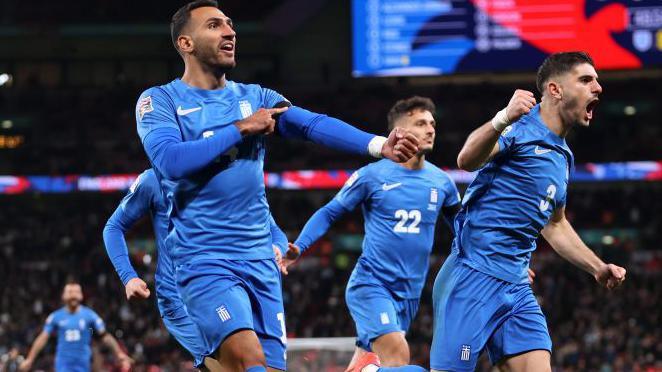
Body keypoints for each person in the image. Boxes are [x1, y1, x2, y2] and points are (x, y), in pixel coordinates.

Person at [135, 1, 419, 371]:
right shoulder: (160, 100)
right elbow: (171, 162)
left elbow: (311, 124)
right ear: (185, 43)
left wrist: (379, 145)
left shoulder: (256, 97)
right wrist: (240, 129)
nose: (229, 32)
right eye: (215, 25)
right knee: (247, 358)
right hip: (204, 260)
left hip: (260, 263)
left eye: (231, 25)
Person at [430, 51, 627, 372]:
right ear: (555, 90)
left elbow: (555, 225)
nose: (598, 87)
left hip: (517, 287)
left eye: (597, 80)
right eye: (586, 79)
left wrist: (597, 267)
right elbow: (466, 160)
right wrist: (502, 118)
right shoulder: (520, 128)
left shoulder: (562, 157)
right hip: (473, 277)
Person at [282, 97, 459, 372]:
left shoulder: (443, 182)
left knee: (366, 364)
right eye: (421, 123)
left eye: (432, 124)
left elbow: (464, 231)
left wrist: (501, 261)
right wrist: (300, 246)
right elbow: (330, 212)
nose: (430, 129)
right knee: (399, 357)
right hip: (372, 285)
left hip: (409, 295)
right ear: (400, 132)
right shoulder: (372, 176)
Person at [103, 168, 288, 371]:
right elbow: (113, 227)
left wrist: (277, 248)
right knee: (244, 361)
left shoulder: (236, 176)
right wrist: (128, 277)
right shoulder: (156, 178)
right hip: (181, 296)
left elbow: (276, 233)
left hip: (235, 286)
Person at [19, 283, 132, 372]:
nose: (73, 294)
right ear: (63, 296)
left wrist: (119, 353)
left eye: (76, 291)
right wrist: (30, 359)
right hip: (63, 363)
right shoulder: (55, 317)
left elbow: (105, 336)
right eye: (70, 292)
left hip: (83, 362)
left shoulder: (90, 315)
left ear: (81, 295)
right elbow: (43, 338)